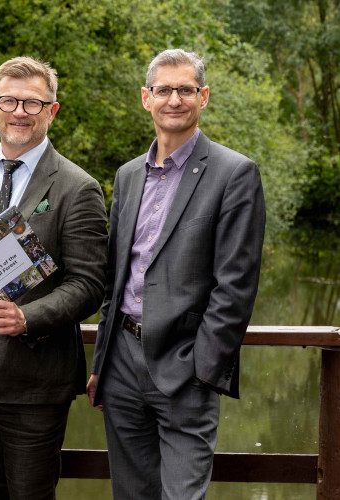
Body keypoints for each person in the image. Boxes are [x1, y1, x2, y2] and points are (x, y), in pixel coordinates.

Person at [87, 49, 266, 499]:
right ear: (145, 98)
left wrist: (203, 368)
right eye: (163, 90)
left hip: (186, 366)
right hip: (122, 364)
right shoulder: (128, 175)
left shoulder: (234, 173)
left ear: (203, 97)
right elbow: (116, 277)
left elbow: (236, 286)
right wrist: (101, 362)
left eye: (185, 90)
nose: (174, 100)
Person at [0, 56, 108, 499]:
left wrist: (28, 317)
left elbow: (88, 285)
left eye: (32, 102)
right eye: (9, 100)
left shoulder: (77, 187)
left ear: (52, 110)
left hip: (35, 380)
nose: (19, 112)